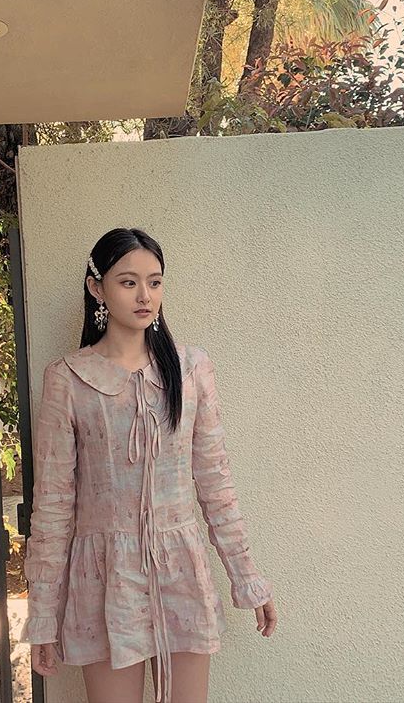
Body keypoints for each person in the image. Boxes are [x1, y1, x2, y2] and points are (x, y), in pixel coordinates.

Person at [23, 227, 277, 703]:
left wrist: (247, 577)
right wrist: (42, 615)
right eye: (129, 282)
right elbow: (53, 505)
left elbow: (216, 483)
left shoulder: (190, 369)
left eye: (155, 282)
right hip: (104, 580)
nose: (145, 295)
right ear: (97, 288)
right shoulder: (68, 378)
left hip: (181, 570)